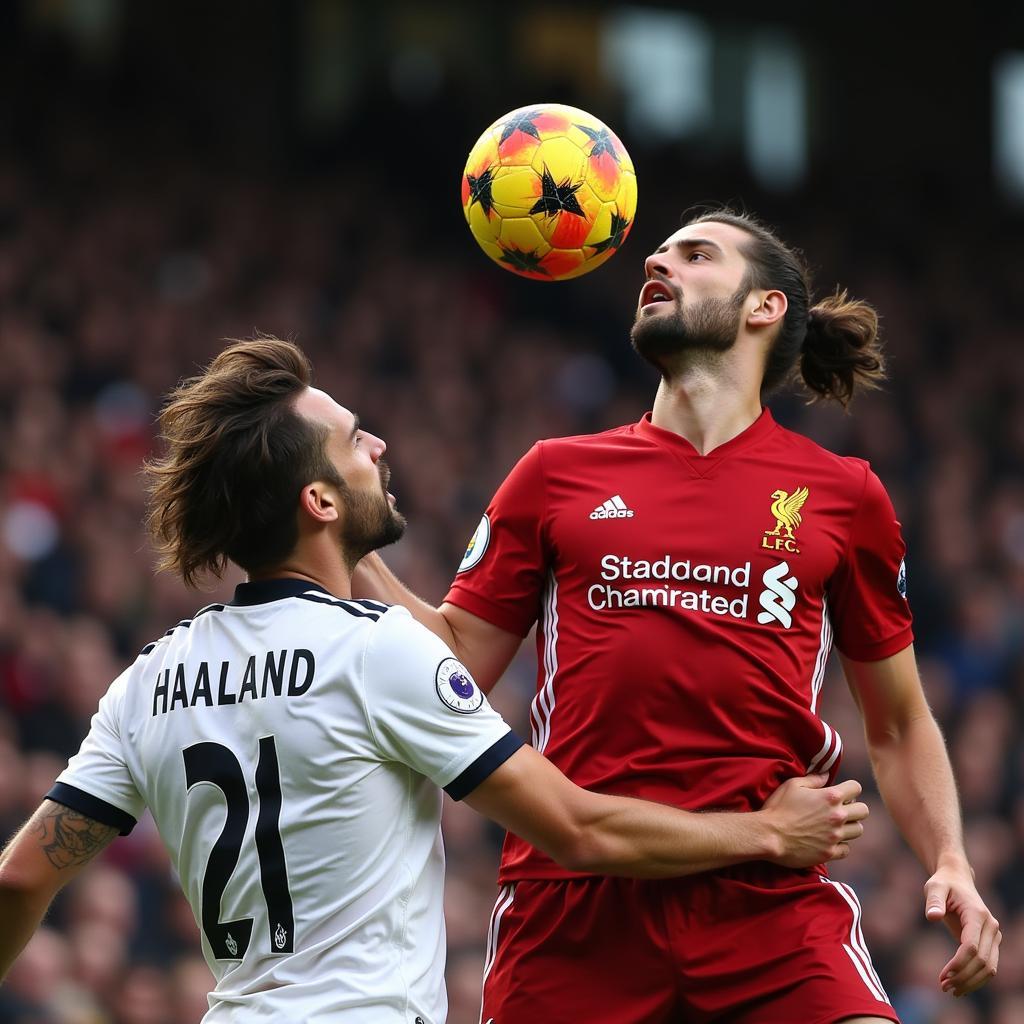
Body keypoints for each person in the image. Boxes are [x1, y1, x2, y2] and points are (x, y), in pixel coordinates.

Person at [0, 337, 870, 1024]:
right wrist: (765, 834)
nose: (377, 444)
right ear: (321, 502)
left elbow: (19, 879)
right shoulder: (378, 654)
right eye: (352, 439)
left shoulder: (149, 679)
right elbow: (578, 829)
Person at [353, 209, 1002, 1024]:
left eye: (696, 255)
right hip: (575, 906)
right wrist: (355, 552)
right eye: (657, 256)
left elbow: (901, 723)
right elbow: (451, 657)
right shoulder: (557, 473)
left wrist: (950, 860)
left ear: (764, 307)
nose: (659, 264)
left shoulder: (843, 495)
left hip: (768, 900)